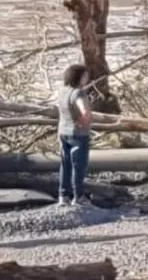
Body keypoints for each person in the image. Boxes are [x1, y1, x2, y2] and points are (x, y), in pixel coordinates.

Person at [58, 64, 93, 207]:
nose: (87, 78)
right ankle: (78, 197)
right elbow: (84, 110)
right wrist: (84, 120)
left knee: (65, 165)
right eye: (85, 75)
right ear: (78, 77)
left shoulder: (62, 91)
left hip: (63, 132)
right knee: (78, 166)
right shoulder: (79, 93)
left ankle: (63, 196)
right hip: (78, 135)